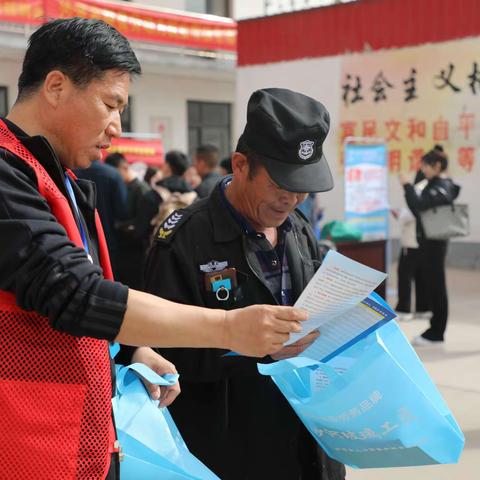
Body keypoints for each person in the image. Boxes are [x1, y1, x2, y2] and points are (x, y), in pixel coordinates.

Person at [0, 20, 307, 480]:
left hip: (75, 437)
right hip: (24, 442)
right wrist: (228, 328)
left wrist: (126, 352)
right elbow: (73, 291)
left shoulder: (61, 180)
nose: (116, 127)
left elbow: (70, 299)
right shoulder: (8, 175)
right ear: (57, 86)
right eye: (110, 104)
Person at [145, 88, 346, 480]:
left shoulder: (298, 227)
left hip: (307, 444)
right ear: (240, 165)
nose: (291, 199)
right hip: (229, 451)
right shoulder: (185, 240)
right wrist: (254, 348)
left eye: (302, 186)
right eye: (279, 185)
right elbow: (158, 353)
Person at [400, 145, 460, 345]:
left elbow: (419, 205)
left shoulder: (440, 186)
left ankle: (437, 332)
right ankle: (435, 329)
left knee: (437, 287)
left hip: (435, 244)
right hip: (430, 242)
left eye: (425, 166)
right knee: (433, 285)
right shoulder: (440, 184)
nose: (423, 170)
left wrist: (407, 186)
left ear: (436, 165)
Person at [75, 153, 128, 276]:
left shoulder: (73, 172)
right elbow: (122, 211)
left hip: (80, 236)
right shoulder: (113, 174)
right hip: (110, 237)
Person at [104, 152, 150, 288]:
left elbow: (142, 224)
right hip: (123, 250)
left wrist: (119, 226)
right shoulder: (123, 187)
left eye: (114, 173)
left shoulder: (141, 189)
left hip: (136, 252)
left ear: (124, 168)